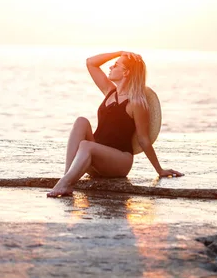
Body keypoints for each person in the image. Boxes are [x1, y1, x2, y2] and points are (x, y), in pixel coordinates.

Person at [47, 50, 183, 198]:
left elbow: (144, 139)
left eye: (116, 65)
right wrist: (119, 52)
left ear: (126, 72)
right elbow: (90, 63)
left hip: (120, 161)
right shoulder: (110, 91)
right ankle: (67, 178)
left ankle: (65, 183)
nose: (110, 67)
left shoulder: (136, 103)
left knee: (86, 145)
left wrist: (159, 170)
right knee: (81, 121)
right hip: (95, 157)